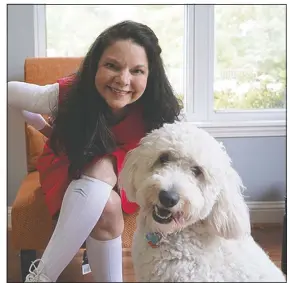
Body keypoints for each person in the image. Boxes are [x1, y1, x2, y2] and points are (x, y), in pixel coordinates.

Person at [8, 20, 182, 282]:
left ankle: (41, 277)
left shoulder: (159, 109)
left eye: (137, 71)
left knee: (105, 176)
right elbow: (10, 93)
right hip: (71, 165)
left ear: (150, 75)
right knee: (107, 205)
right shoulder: (70, 92)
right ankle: (42, 277)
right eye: (112, 65)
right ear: (94, 66)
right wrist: (41, 125)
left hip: (125, 175)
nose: (123, 80)